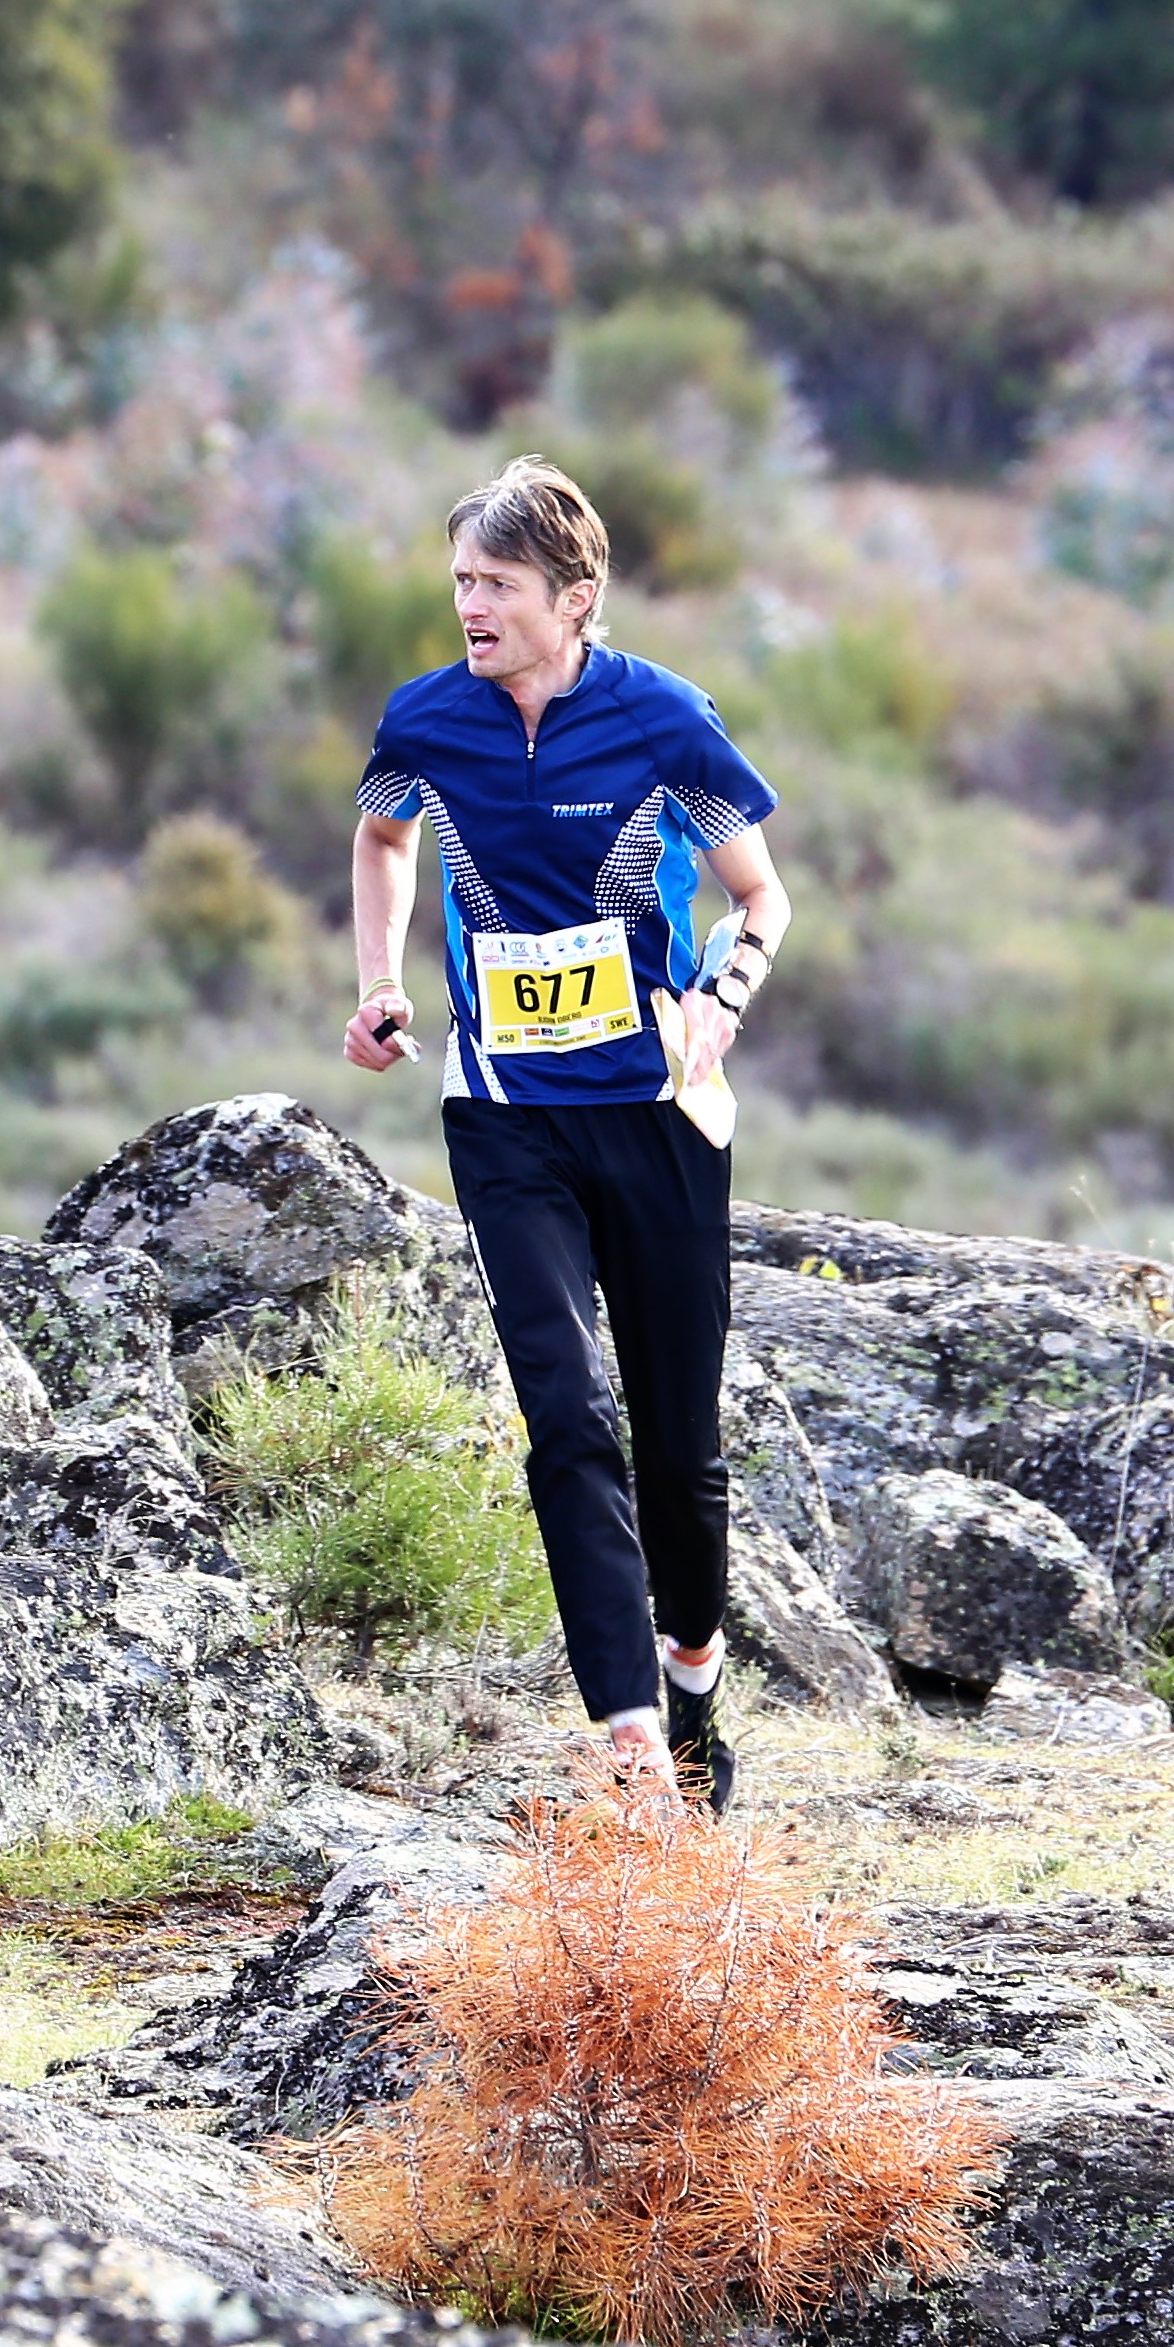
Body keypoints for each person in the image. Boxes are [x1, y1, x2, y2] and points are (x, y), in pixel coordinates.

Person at [339, 456, 795, 1813]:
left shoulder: (664, 719)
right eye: (460, 582)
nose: (469, 605)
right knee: (565, 1420)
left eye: (495, 584)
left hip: (660, 1116)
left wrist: (722, 997)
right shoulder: (427, 719)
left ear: (573, 596)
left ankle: (696, 1672)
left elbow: (763, 897)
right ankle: (633, 1746)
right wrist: (379, 981)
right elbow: (380, 838)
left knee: (678, 1449)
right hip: (507, 1116)